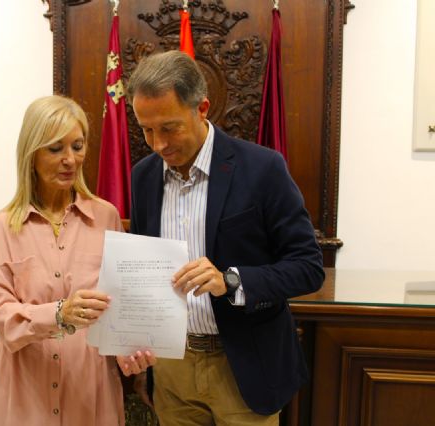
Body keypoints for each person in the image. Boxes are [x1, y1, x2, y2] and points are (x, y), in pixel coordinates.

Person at [127, 51, 325, 425]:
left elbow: (308, 267)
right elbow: (143, 272)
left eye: (169, 128)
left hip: (244, 369)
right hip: (171, 370)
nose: (158, 144)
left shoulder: (263, 168)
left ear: (202, 108)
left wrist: (230, 281)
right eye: (146, 130)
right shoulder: (144, 176)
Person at [0, 95, 155, 426]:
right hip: (23, 389)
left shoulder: (106, 217)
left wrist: (129, 349)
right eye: (55, 148)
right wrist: (59, 314)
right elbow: (2, 317)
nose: (70, 160)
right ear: (31, 154)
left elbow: (122, 305)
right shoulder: (3, 227)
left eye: (77, 146)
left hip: (89, 388)